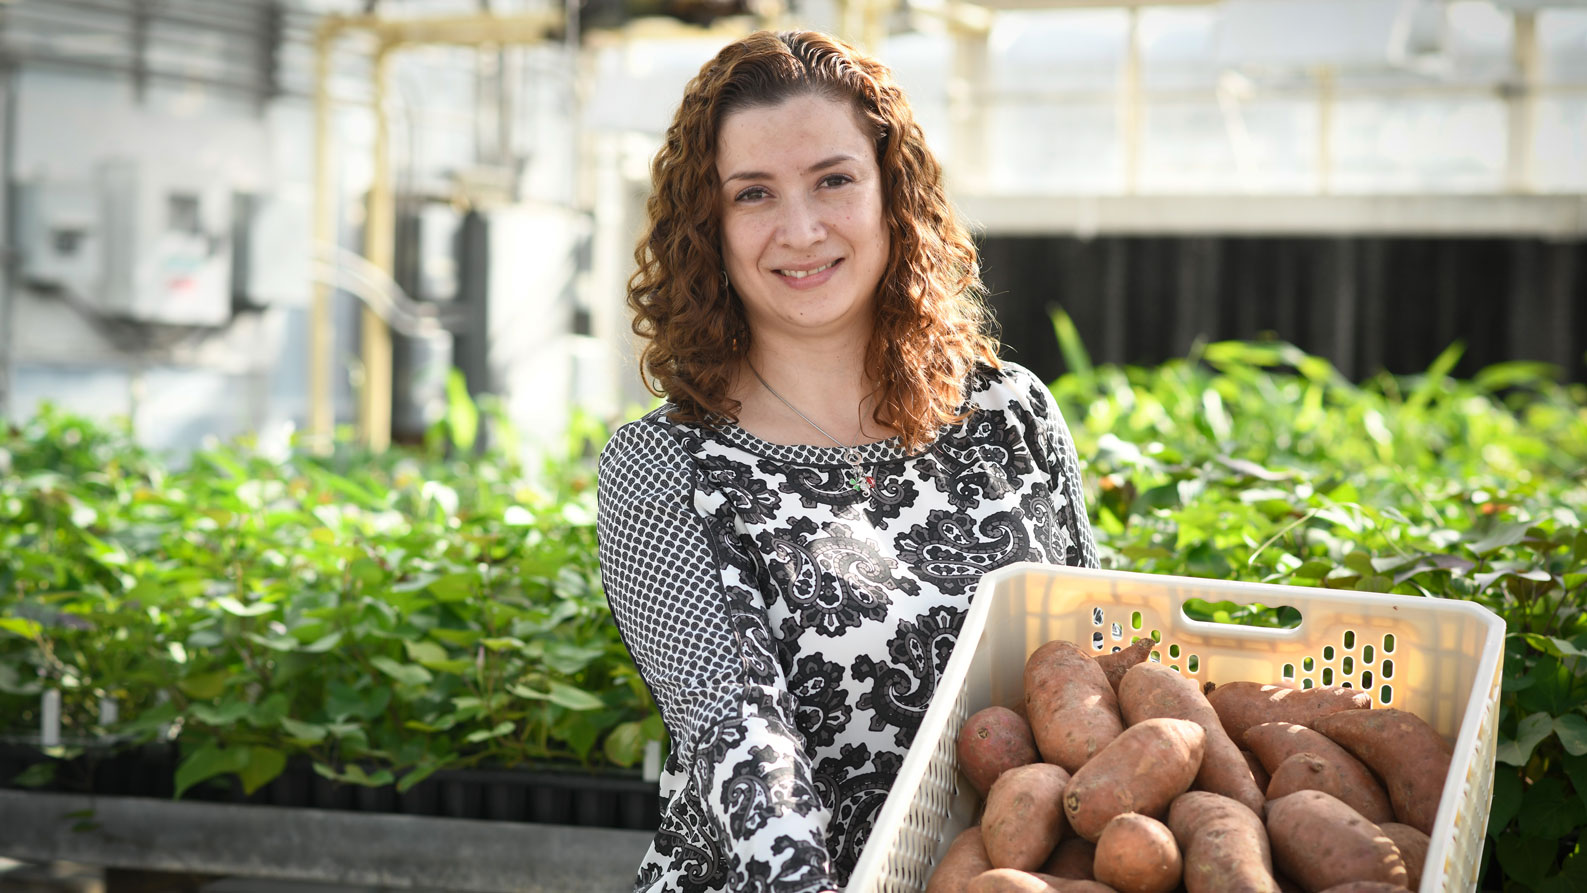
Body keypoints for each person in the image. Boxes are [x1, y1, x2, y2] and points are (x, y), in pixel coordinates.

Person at [595, 29, 1098, 893]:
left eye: (833, 179)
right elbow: (736, 734)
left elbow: (1096, 660)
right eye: (753, 194)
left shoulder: (1010, 412)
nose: (800, 229)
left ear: (890, 193)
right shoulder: (665, 464)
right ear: (707, 229)